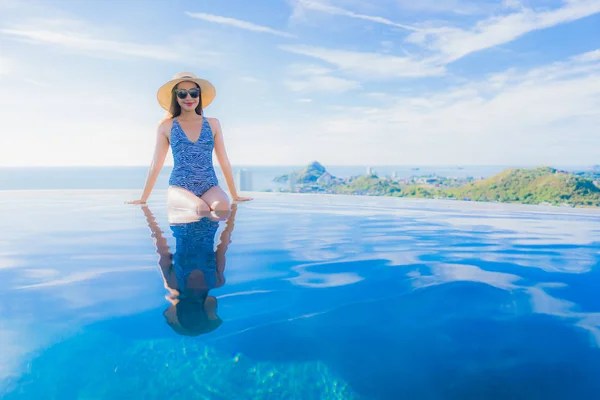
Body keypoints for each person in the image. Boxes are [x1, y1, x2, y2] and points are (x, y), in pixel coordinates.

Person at [127, 72, 252, 214]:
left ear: (199, 95)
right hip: (180, 188)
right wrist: (143, 199)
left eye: (193, 92)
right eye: (182, 93)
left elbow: (223, 160)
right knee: (201, 208)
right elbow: (156, 164)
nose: (189, 97)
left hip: (210, 186)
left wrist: (234, 195)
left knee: (222, 207)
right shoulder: (166, 126)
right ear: (176, 96)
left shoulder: (213, 124)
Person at [142, 203, 238, 336]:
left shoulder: (216, 281)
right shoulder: (172, 283)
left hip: (210, 221)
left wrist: (232, 214)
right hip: (181, 219)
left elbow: (224, 244)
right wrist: (148, 216)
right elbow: (160, 246)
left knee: (208, 205)